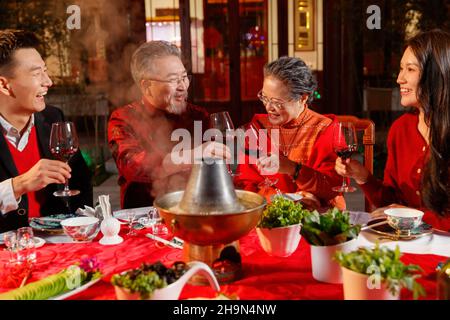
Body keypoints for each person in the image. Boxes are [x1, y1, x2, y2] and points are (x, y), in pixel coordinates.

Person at [335, 29, 450, 231]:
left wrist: (412, 218)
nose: (399, 78)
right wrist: (364, 177)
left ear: (435, 74)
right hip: (406, 243)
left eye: (410, 69)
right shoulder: (401, 129)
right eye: (401, 68)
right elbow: (390, 202)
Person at [108, 40, 229, 209]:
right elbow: (133, 165)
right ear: (146, 86)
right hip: (144, 216)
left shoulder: (198, 116)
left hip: (195, 210)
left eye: (184, 78)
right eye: (173, 80)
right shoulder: (123, 118)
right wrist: (192, 155)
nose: (183, 87)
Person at [0, 30, 93, 232]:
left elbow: (81, 182)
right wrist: (19, 185)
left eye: (45, 71)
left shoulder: (53, 119)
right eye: (37, 74)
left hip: (56, 246)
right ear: (4, 85)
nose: (48, 82)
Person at [234, 56, 344, 210]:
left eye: (277, 102)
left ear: (303, 98)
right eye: (265, 98)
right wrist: (282, 200)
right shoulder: (257, 128)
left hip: (317, 218)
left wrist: (294, 169)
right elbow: (246, 185)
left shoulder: (326, 129)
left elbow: (333, 188)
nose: (268, 107)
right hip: (270, 215)